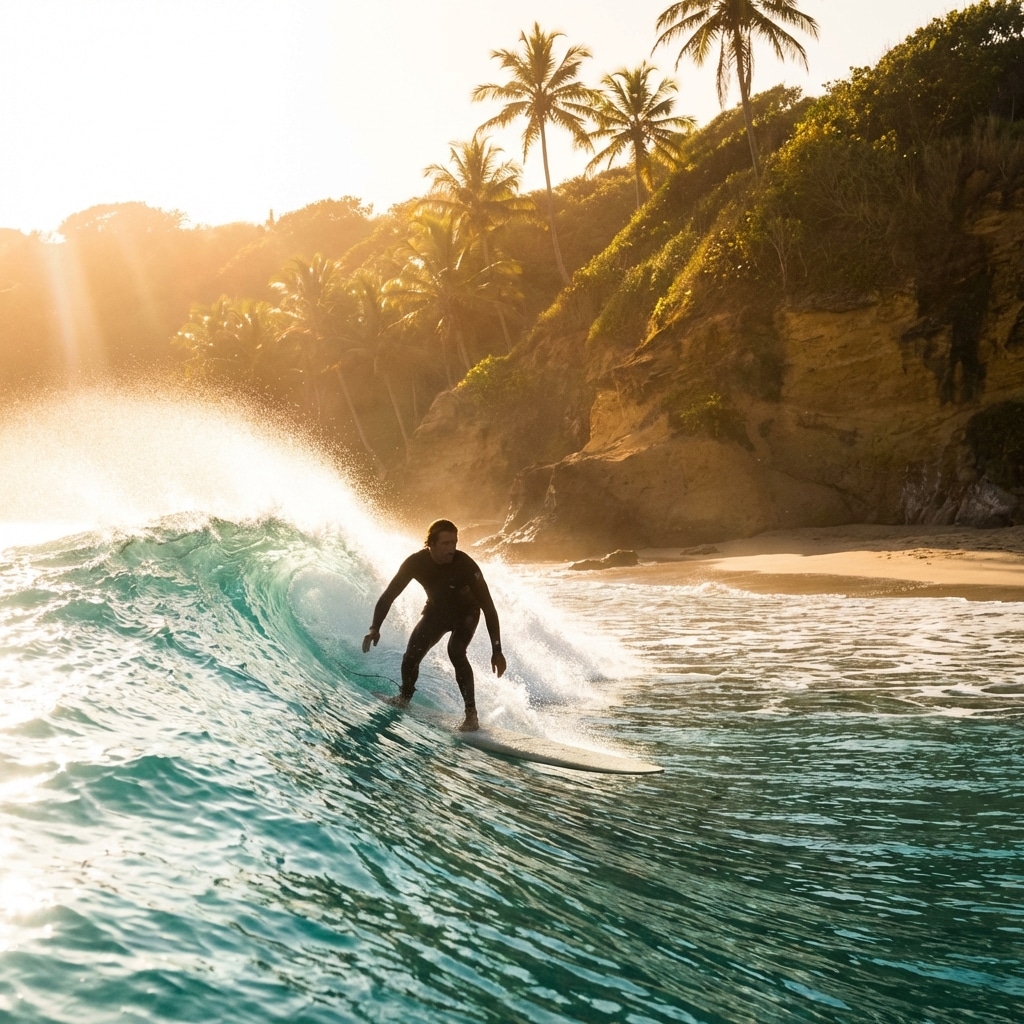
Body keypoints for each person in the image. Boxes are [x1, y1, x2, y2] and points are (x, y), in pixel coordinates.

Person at [361, 519, 506, 732]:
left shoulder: (466, 565)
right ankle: (405, 697)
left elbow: (489, 608)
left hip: (467, 613)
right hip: (436, 612)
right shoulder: (415, 563)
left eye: (454, 543)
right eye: (446, 544)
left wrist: (497, 650)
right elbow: (389, 595)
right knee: (411, 656)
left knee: (455, 651)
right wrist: (375, 627)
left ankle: (471, 715)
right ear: (431, 544)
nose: (451, 549)